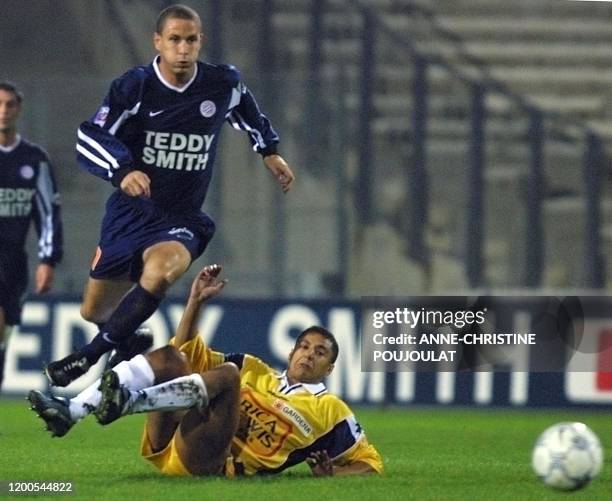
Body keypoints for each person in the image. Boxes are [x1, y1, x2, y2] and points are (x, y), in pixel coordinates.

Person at [45, 4, 295, 387]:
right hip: (128, 217)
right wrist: (122, 170)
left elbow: (247, 110)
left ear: (200, 42)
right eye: (174, 40)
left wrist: (269, 150)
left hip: (181, 218)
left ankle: (88, 356)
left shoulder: (221, 84)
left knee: (160, 273)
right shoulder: (136, 87)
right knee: (94, 310)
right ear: (157, 41)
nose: (182, 49)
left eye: (190, 40)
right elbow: (89, 136)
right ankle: (130, 342)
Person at [29, 265, 382, 477]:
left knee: (227, 375)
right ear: (291, 351)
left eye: (320, 353)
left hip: (210, 462)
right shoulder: (255, 369)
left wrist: (335, 473)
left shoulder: (331, 412)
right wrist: (195, 301)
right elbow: (185, 351)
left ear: (330, 367)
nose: (309, 355)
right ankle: (74, 410)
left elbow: (370, 464)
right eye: (304, 346)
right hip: (169, 440)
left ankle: (128, 401)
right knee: (171, 357)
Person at [0, 81, 63, 392]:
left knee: (5, 332)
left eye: (10, 104)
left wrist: (47, 260)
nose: (3, 111)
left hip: (13, 261)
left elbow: (47, 213)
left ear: (18, 109)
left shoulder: (33, 159)